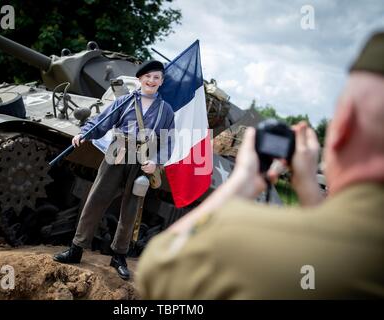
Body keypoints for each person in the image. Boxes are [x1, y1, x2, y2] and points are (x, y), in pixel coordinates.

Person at [136, 33, 384, 298]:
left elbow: (159, 266)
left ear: (343, 128)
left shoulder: (250, 237)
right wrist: (312, 190)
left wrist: (242, 180)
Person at [53, 60, 174, 280]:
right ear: (140, 79)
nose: (151, 81)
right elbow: (102, 122)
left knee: (130, 210)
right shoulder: (124, 101)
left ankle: (118, 256)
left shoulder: (166, 110)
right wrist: (84, 133)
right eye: (148, 76)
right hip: (117, 152)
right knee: (96, 200)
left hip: (143, 159)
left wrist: (156, 161)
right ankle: (76, 248)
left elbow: (167, 141)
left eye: (156, 77)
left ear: (161, 82)